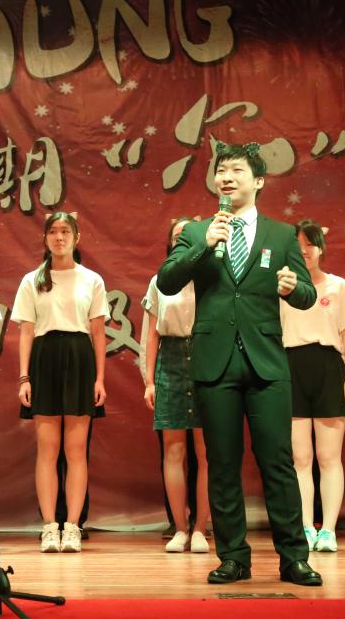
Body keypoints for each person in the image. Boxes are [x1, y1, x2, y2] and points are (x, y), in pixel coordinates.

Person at [157, 141, 321, 586]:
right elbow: (167, 281)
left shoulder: (281, 235)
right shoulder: (198, 231)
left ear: (259, 181)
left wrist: (292, 287)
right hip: (214, 362)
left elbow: (308, 295)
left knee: (278, 462)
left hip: (266, 363)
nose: (226, 178)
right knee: (223, 463)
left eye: (236, 171)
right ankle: (233, 557)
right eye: (221, 171)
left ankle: (294, 557)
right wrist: (203, 246)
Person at [13, 212, 108, 554]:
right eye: (53, 231)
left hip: (80, 358)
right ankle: (49, 527)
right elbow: (26, 331)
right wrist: (24, 377)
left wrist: (100, 378)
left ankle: (72, 527)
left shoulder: (91, 279)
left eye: (66, 231)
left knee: (76, 451)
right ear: (45, 238)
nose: (59, 237)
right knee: (47, 449)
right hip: (45, 359)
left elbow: (98, 332)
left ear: (77, 237)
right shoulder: (32, 280)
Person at [280, 220, 345, 553]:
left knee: (329, 457)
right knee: (300, 458)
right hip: (290, 368)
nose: (304, 250)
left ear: (321, 248)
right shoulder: (281, 287)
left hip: (328, 368)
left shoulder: (338, 286)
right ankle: (304, 526)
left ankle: (328, 529)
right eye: (297, 245)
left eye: (310, 244)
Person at [140, 217, 210, 554]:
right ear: (170, 242)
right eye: (177, 235)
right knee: (174, 449)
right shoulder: (160, 280)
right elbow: (151, 334)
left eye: (188, 234)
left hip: (205, 356)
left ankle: (201, 529)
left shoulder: (209, 275)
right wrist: (149, 380)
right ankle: (180, 528)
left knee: (206, 451)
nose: (182, 238)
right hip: (169, 359)